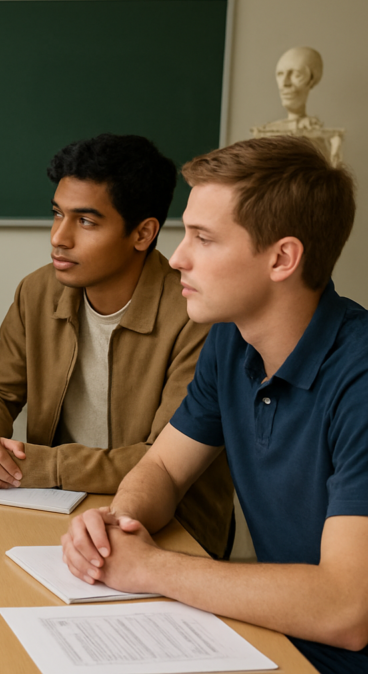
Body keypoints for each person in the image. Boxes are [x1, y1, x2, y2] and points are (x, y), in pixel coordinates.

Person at [62, 136, 367, 673]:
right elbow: (163, 468)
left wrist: (152, 569)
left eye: (204, 238)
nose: (177, 257)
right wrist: (118, 527)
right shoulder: (230, 339)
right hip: (274, 637)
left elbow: (347, 609)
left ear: (282, 259)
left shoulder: (360, 379)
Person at [0, 134, 234, 558]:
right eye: (57, 214)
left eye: (85, 221)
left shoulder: (198, 317)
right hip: (55, 507)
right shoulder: (38, 292)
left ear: (143, 233)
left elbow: (161, 460)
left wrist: (40, 465)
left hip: (170, 529)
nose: (59, 237)